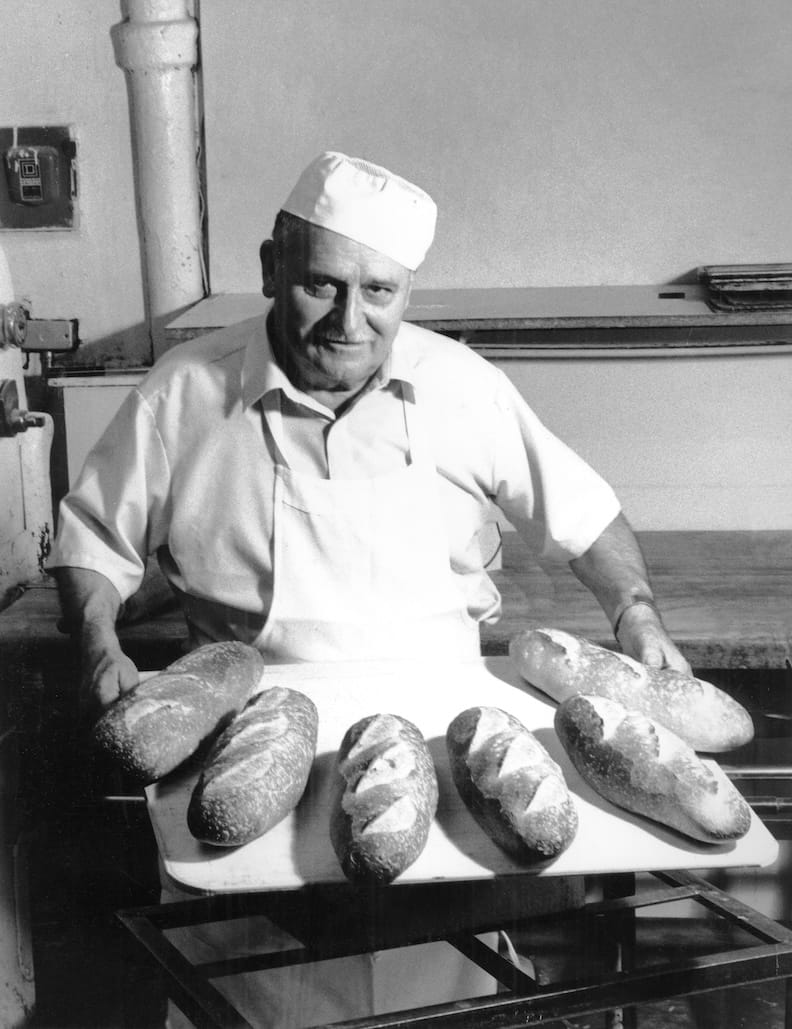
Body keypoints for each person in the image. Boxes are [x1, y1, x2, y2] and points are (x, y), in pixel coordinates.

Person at [47, 151, 690, 1026]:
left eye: (380, 293)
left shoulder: (463, 388)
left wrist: (637, 614)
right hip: (252, 767)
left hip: (446, 768)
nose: (350, 320)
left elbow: (584, 516)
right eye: (323, 285)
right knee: (255, 993)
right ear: (273, 267)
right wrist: (100, 641)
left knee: (444, 996)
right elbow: (92, 540)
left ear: (408, 294)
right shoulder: (185, 394)